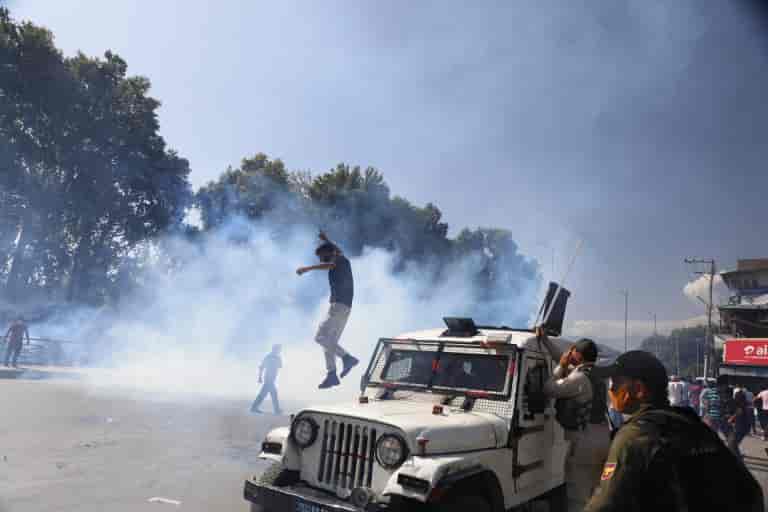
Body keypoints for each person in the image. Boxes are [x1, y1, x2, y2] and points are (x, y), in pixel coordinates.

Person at [585, 351, 763, 512]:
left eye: (615, 384)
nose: (610, 390)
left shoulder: (635, 435)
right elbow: (750, 490)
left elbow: (605, 506)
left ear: (638, 390)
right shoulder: (690, 424)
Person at [537, 328, 607, 512]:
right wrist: (545, 340)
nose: (568, 354)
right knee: (593, 492)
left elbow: (549, 389)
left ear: (578, 356)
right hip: (601, 438)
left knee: (578, 497)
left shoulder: (579, 378)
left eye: (572, 352)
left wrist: (559, 367)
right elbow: (565, 360)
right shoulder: (597, 375)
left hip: (584, 442)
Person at [297, 232, 358, 389]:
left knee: (320, 337)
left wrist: (307, 269)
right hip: (344, 308)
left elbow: (330, 263)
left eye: (321, 255)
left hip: (338, 307)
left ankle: (347, 358)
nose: (320, 259)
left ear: (329, 253)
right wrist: (326, 240)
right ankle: (332, 375)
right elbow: (335, 250)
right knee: (329, 343)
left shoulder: (337, 260)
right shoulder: (342, 258)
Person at [250, 344, 282, 415]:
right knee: (273, 394)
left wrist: (260, 377)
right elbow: (262, 367)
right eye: (279, 349)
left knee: (264, 394)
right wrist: (260, 377)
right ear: (275, 349)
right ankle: (276, 410)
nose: (279, 351)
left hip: (271, 379)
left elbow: (278, 367)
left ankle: (254, 407)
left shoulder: (276, 357)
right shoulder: (270, 357)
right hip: (268, 379)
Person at [727, 389, 750, 460]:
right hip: (744, 427)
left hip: (740, 427)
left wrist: (731, 418)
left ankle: (738, 457)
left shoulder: (739, 404)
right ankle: (738, 456)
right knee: (733, 443)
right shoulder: (745, 403)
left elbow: (738, 412)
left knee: (732, 444)